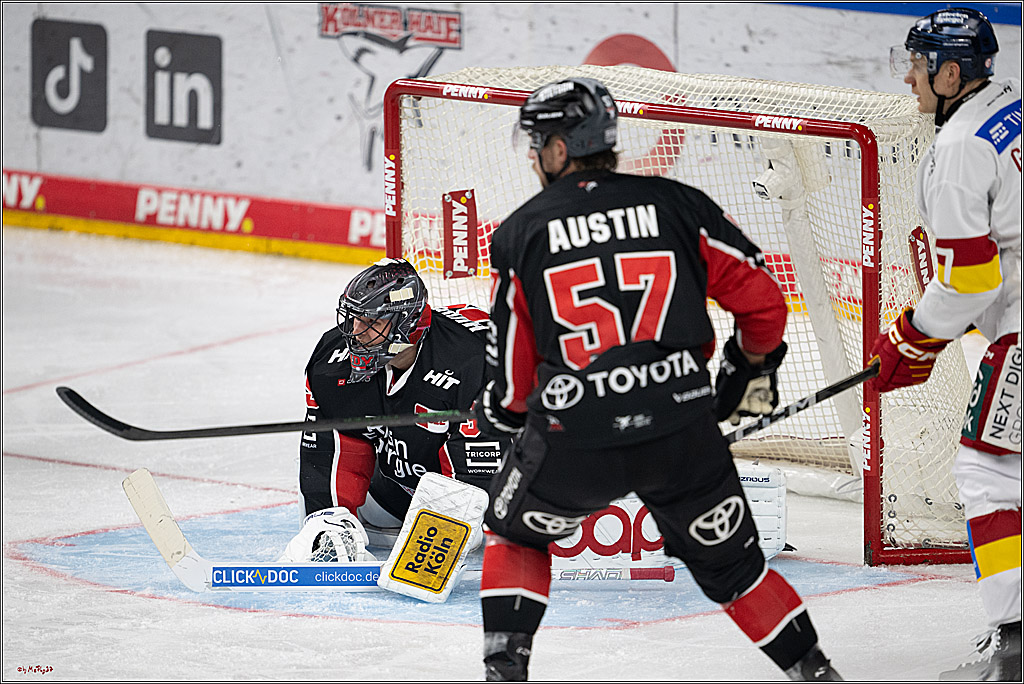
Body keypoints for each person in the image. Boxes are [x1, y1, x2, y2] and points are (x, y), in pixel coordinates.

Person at [473, 77, 842, 681]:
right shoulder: (678, 204)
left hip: (575, 440)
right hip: (680, 433)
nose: (534, 158)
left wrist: (503, 412)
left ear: (561, 149)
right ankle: (815, 671)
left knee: (515, 536)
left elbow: (514, 386)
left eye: (537, 145)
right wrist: (747, 366)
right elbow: (765, 304)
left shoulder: (521, 231)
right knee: (737, 572)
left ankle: (504, 672)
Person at [879, 8, 1021, 681]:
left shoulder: (961, 145)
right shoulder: (1011, 102)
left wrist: (912, 336)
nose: (908, 77)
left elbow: (971, 278)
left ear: (951, 72)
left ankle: (1015, 643)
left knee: (988, 476)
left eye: (918, 64)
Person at [282, 257, 509, 562]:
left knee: (464, 532)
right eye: (354, 318)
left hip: (488, 495)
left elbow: (475, 484)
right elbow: (332, 454)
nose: (357, 332)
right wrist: (329, 520)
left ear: (407, 324)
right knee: (323, 522)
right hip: (391, 496)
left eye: (372, 322)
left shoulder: (472, 361)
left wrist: (436, 535)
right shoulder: (331, 362)